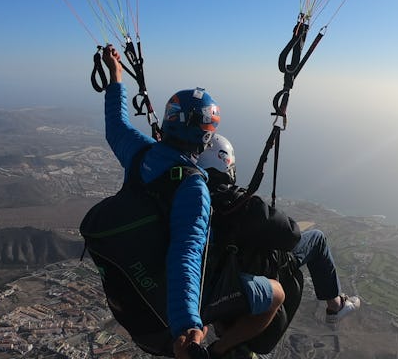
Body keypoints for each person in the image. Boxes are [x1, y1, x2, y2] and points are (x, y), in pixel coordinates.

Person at [98, 46, 284, 359]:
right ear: (205, 136)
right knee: (276, 293)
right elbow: (186, 253)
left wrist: (116, 77)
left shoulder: (140, 153)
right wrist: (186, 328)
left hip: (132, 296)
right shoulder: (193, 186)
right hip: (166, 319)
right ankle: (222, 348)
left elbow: (116, 126)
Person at [197, 135, 361, 326]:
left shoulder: (190, 199)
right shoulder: (239, 205)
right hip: (251, 272)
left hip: (213, 282)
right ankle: (336, 306)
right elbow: (291, 235)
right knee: (317, 239)